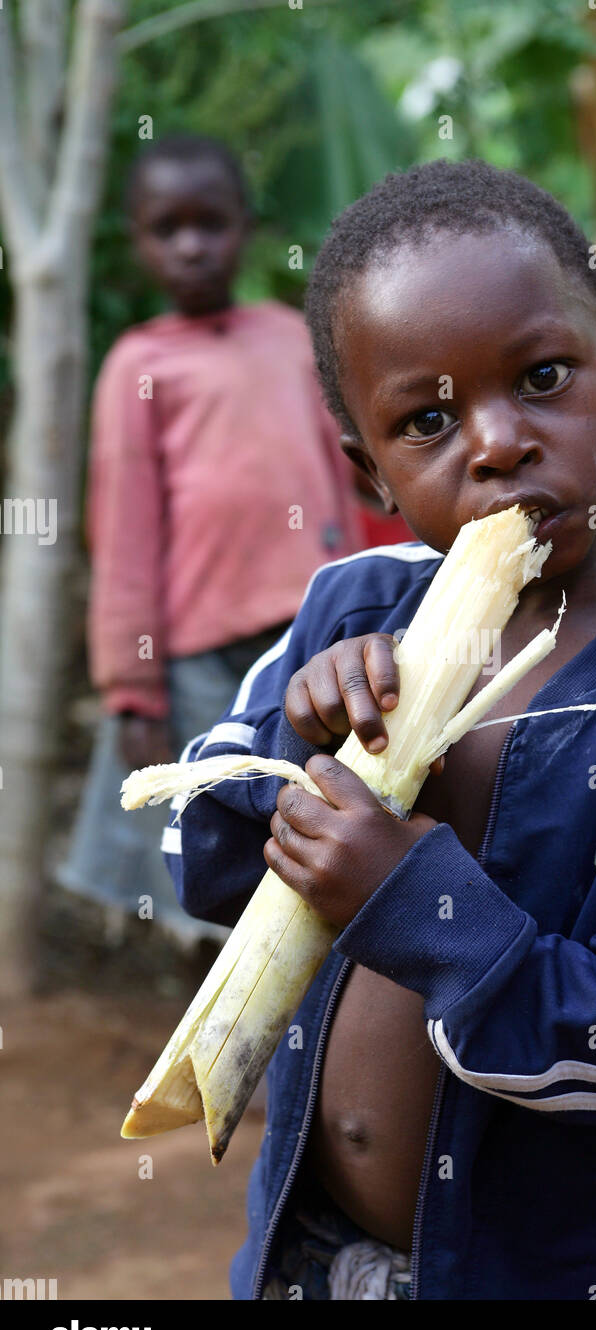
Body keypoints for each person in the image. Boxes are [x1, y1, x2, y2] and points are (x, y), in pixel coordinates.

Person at [165, 159, 596, 1300]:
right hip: (320, 1261)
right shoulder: (346, 611)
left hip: (576, 1273)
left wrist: (416, 904)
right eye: (428, 419)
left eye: (543, 376)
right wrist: (299, 761)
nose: (498, 443)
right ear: (371, 469)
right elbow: (195, 855)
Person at [58, 134, 366, 946]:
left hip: (307, 645)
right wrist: (134, 687)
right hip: (198, 661)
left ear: (246, 227)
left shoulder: (293, 338)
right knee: (214, 852)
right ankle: (219, 1023)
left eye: (211, 223)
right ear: (138, 241)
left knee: (310, 824)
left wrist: (364, 601)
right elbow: (124, 531)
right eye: (168, 229)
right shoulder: (138, 365)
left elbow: (340, 480)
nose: (191, 246)